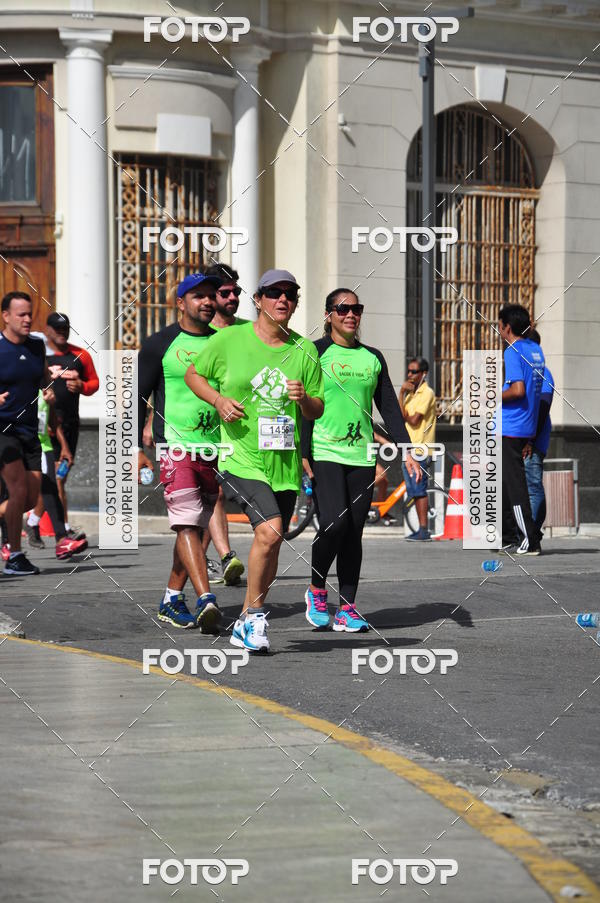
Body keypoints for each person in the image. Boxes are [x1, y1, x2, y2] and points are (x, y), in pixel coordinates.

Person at [185, 268, 324, 653]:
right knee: (272, 529)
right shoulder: (230, 339)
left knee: (273, 541)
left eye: (290, 295)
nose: (283, 300)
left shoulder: (305, 350)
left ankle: (246, 619)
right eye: (275, 293)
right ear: (258, 299)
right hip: (240, 457)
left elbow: (316, 409)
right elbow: (193, 374)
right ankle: (257, 617)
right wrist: (218, 400)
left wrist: (303, 399)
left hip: (283, 460)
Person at [301, 289, 419, 631]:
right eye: (343, 308)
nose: (351, 314)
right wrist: (303, 453)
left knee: (354, 530)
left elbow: (389, 409)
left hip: (362, 454)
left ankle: (348, 609)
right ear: (329, 315)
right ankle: (316, 589)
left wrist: (406, 449)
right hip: (325, 451)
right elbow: (305, 406)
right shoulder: (315, 353)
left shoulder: (373, 358)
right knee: (334, 524)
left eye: (356, 309)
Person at [137, 271, 243, 630]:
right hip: (175, 448)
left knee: (196, 529)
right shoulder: (158, 344)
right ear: (180, 302)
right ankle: (206, 599)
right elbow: (136, 397)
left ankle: (171, 597)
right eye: (198, 296)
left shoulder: (225, 342)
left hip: (215, 449)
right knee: (185, 521)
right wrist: (137, 448)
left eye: (211, 295)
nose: (208, 301)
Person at [0, 291, 48, 576]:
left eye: (30, 313)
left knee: (29, 499)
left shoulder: (37, 345)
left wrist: (51, 387)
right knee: (17, 490)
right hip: (3, 429)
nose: (28, 319)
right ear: (6, 316)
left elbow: (41, 378)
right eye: (21, 314)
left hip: (31, 431)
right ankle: (15, 556)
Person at [45, 311, 99, 539]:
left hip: (70, 425)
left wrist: (82, 386)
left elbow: (94, 382)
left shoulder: (80, 355)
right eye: (57, 329)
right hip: (45, 426)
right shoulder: (39, 356)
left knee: (59, 477)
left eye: (65, 329)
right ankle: (62, 529)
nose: (61, 333)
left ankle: (43, 522)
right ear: (47, 329)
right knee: (53, 478)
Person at [499, 304, 545, 555]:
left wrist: (492, 396)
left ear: (507, 326)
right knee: (510, 484)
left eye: (500, 324)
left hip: (512, 427)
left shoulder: (513, 351)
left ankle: (530, 540)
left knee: (516, 487)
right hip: (526, 425)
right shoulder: (536, 350)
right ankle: (512, 536)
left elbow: (518, 390)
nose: (499, 329)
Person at [27, 387, 88, 559]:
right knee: (14, 496)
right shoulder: (15, 385)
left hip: (43, 446)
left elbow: (53, 420)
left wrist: (65, 447)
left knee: (52, 487)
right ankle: (11, 542)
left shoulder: (45, 391)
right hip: (19, 444)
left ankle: (62, 539)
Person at [398, 357, 436, 541]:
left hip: (421, 449)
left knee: (419, 490)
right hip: (409, 449)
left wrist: (405, 413)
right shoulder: (410, 394)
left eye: (414, 372)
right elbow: (399, 416)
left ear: (424, 374)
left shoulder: (427, 393)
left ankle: (423, 529)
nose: (410, 375)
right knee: (413, 490)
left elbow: (413, 420)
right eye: (409, 371)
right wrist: (401, 392)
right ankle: (420, 529)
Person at [523, 329, 554, 534]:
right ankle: (522, 532)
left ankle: (531, 533)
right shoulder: (524, 372)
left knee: (533, 487)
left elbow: (542, 407)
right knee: (520, 489)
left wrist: (530, 441)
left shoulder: (543, 373)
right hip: (518, 440)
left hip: (532, 442)